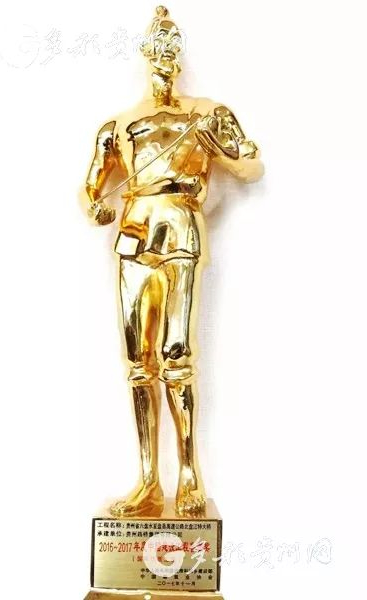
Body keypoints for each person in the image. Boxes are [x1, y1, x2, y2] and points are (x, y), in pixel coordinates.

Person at [84, 6, 264, 516]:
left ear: (179, 56)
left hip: (181, 230)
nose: (165, 57)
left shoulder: (205, 114)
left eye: (172, 48)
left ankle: (188, 473)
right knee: (138, 362)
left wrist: (225, 151)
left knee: (177, 354)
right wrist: (96, 207)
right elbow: (91, 186)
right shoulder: (119, 124)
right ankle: (147, 480)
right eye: (157, 48)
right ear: (146, 55)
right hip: (133, 234)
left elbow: (251, 167)